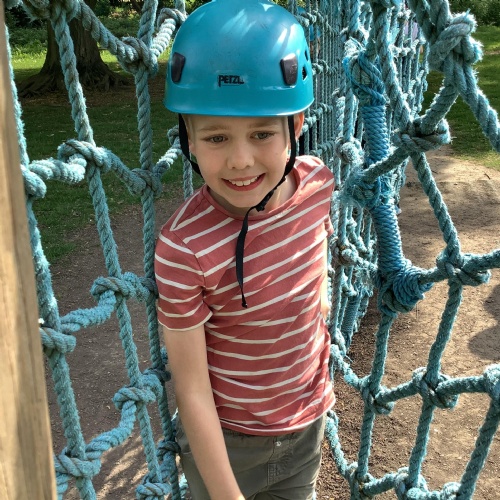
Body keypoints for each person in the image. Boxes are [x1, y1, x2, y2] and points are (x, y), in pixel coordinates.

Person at [154, 1, 336, 498]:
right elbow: (191, 389)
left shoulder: (317, 183)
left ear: (296, 126)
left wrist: (320, 299)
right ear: (188, 138)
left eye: (262, 133)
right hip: (226, 446)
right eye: (216, 137)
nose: (240, 160)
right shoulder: (183, 247)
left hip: (307, 426)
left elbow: (315, 244)